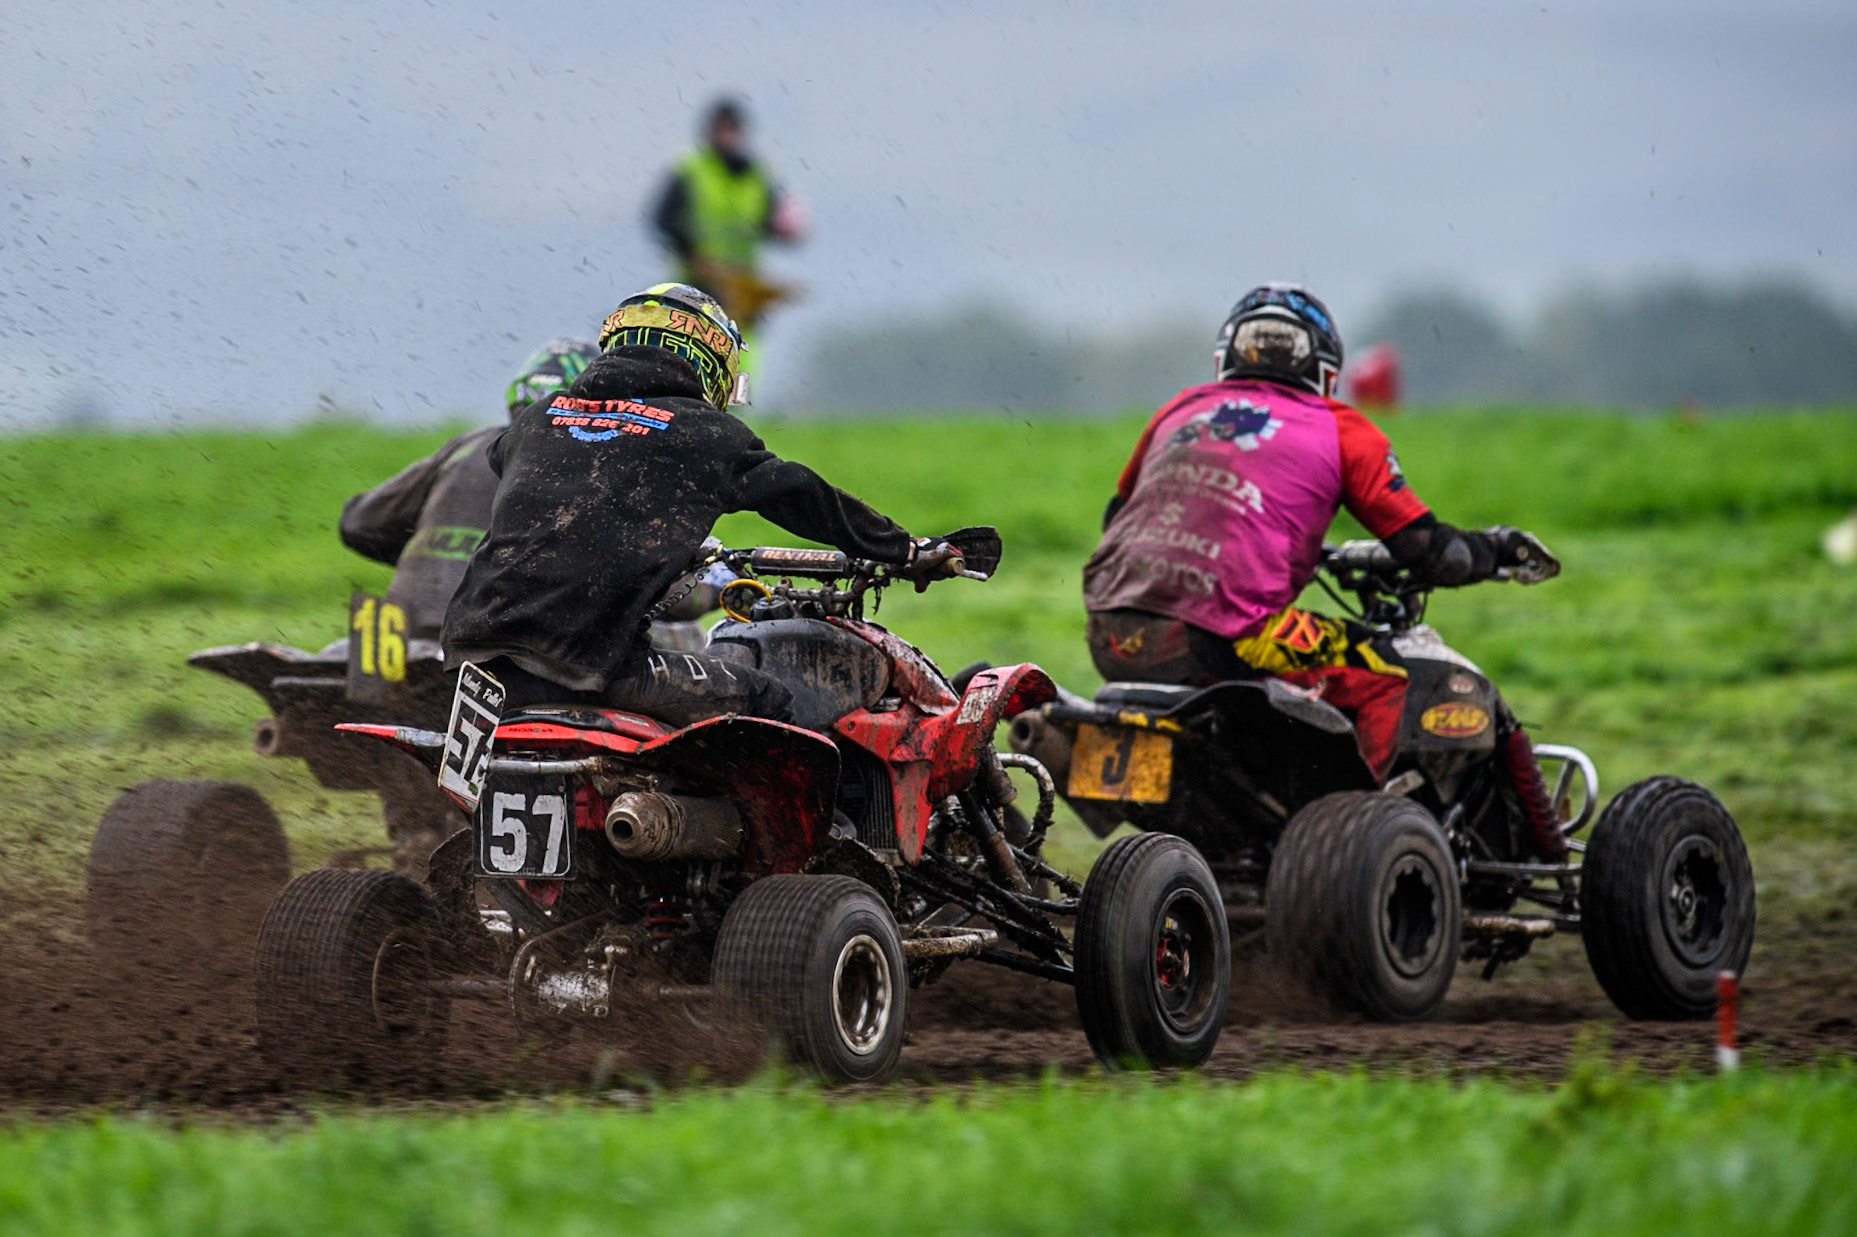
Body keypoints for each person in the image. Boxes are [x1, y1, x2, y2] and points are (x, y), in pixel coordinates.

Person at [1081, 283, 1569, 861]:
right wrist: (1496, 551)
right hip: (1222, 633)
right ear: (1326, 372)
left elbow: (1119, 516)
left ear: (1224, 360)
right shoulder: (1339, 426)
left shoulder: (1182, 409)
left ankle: (1248, 843)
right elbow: (1430, 552)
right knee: (1390, 674)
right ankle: (1346, 851)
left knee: (1256, 710)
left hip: (1110, 630)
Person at [442, 283, 943, 726]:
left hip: (472, 656)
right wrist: (904, 548)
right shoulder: (702, 432)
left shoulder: (534, 421)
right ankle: (794, 833)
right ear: (708, 360)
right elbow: (799, 494)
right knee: (769, 700)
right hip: (584, 661)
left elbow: (532, 475)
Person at [649, 97, 804, 331]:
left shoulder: (759, 175)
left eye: (731, 129)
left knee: (743, 346)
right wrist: (692, 254)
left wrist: (787, 226)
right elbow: (662, 219)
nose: (726, 137)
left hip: (742, 284)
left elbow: (776, 224)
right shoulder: (690, 168)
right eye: (720, 129)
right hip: (697, 282)